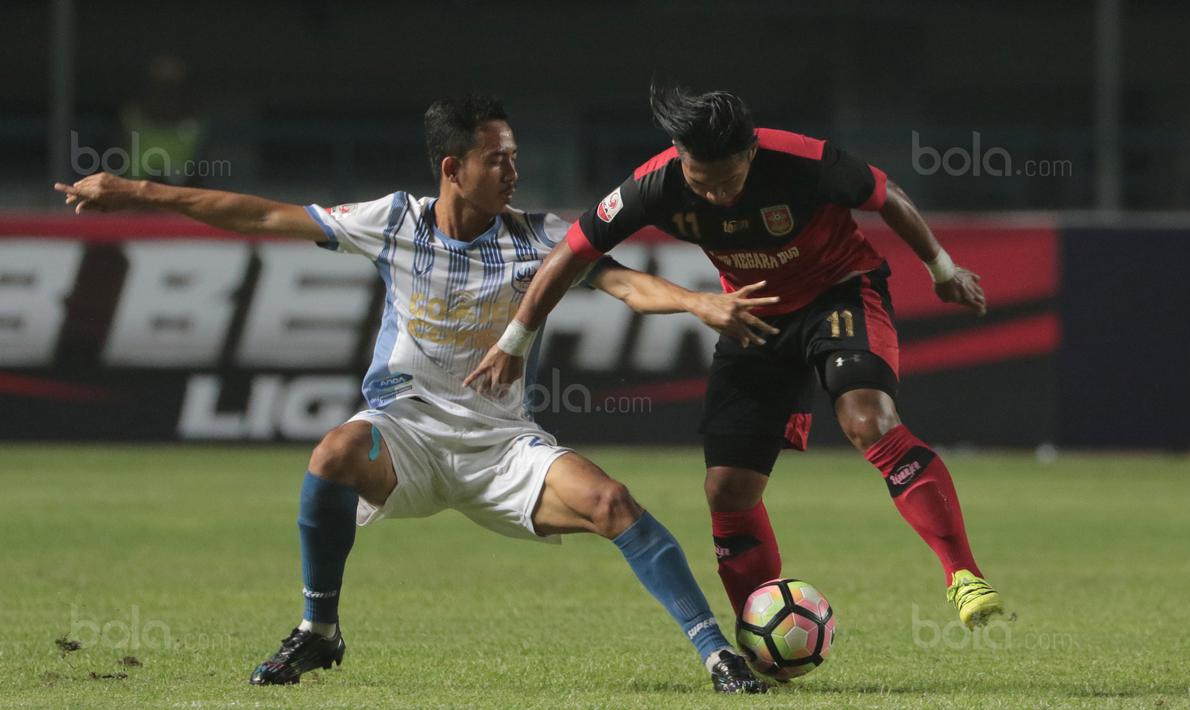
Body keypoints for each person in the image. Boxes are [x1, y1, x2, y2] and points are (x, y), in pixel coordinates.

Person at [54, 95, 771, 693]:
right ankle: (318, 629)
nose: (514, 171)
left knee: (613, 503)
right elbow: (261, 215)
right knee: (333, 452)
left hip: (501, 448)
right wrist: (136, 191)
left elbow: (625, 283)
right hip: (406, 436)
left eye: (515, 156)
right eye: (498, 159)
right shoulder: (394, 221)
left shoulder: (539, 237)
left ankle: (718, 654)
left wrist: (695, 301)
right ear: (454, 168)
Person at [468, 85, 1004, 629]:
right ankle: (760, 637)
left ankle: (962, 574)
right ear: (681, 158)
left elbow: (887, 196)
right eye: (703, 182)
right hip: (752, 315)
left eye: (728, 180)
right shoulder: (655, 183)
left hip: (838, 293)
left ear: (751, 152)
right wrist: (513, 342)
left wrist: (943, 271)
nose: (718, 194)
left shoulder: (803, 161)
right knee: (726, 488)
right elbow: (571, 252)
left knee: (867, 419)